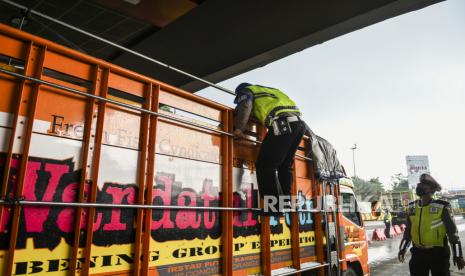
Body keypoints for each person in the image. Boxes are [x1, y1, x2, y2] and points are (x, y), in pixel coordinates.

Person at [233, 83, 306, 213]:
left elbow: (245, 105)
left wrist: (239, 128)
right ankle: (286, 202)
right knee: (284, 165)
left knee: (265, 165)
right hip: (299, 125)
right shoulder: (271, 91)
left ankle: (273, 207)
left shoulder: (247, 91)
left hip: (282, 123)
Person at [398, 173, 465, 275]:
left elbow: (453, 234)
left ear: (432, 190)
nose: (419, 186)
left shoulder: (442, 207)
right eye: (420, 183)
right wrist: (402, 249)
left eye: (424, 184)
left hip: (438, 254)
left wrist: (458, 255)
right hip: (417, 254)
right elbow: (408, 232)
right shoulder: (411, 207)